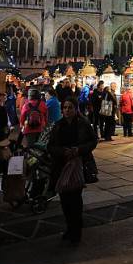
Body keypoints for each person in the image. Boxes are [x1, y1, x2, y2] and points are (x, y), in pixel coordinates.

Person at [46, 98, 97, 245]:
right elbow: (50, 147)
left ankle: (76, 231)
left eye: (70, 107)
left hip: (78, 165)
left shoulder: (83, 124)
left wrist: (79, 150)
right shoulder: (58, 126)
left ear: (75, 109)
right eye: (65, 107)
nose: (67, 110)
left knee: (75, 200)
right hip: (61, 167)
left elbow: (93, 141)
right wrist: (62, 152)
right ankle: (69, 228)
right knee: (65, 200)